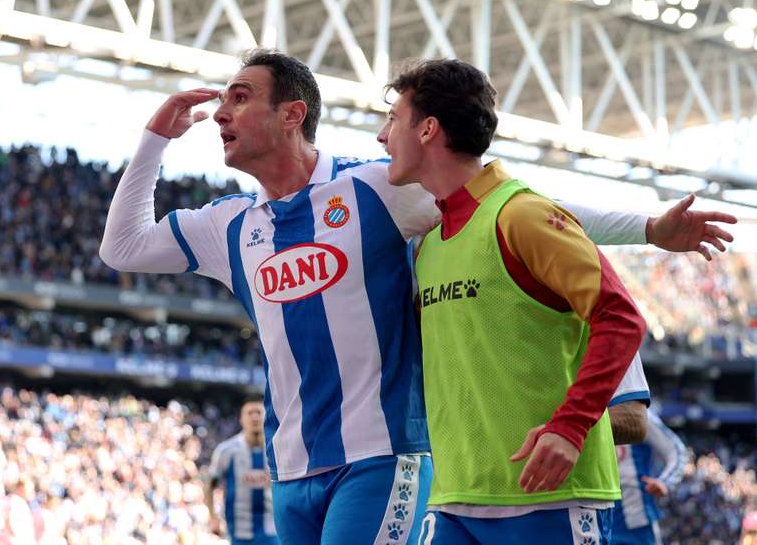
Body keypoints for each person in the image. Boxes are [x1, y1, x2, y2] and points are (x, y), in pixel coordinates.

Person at [99, 49, 736, 543]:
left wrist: (649, 228)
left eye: (241, 97)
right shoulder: (228, 225)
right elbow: (121, 248)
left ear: (292, 114)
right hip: (289, 469)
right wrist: (155, 137)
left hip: (382, 458)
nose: (221, 113)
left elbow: (528, 210)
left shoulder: (377, 188)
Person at [377, 57, 658, 542]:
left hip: (551, 499)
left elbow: (621, 317)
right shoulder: (429, 246)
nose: (382, 137)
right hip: (455, 500)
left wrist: (570, 427)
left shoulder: (521, 215)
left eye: (392, 120)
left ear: (427, 129)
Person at [206, 395, 278, 545]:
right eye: (249, 413)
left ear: (266, 415)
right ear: (241, 418)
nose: (254, 417)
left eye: (258, 412)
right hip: (239, 530)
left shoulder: (277, 449)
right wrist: (213, 517)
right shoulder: (226, 450)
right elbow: (209, 486)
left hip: (272, 528)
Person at [612, 409, 689, 545]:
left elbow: (676, 450)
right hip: (593, 517)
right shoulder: (582, 408)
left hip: (636, 523)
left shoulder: (636, 412)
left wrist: (665, 482)